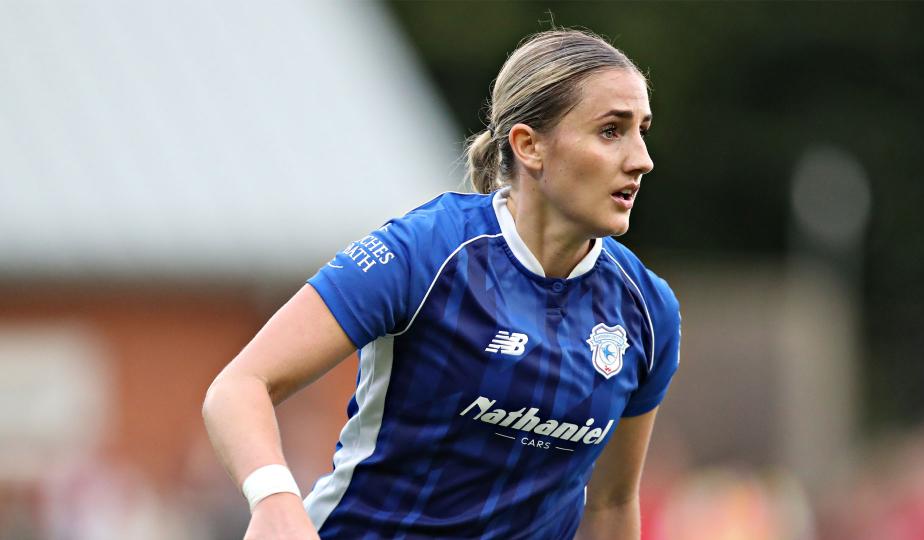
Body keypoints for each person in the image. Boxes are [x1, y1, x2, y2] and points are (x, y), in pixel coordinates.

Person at [203, 28, 681, 539]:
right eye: (612, 130)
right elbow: (238, 388)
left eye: (641, 131)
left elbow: (610, 504)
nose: (641, 158)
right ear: (529, 146)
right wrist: (274, 500)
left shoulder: (646, 311)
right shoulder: (427, 252)